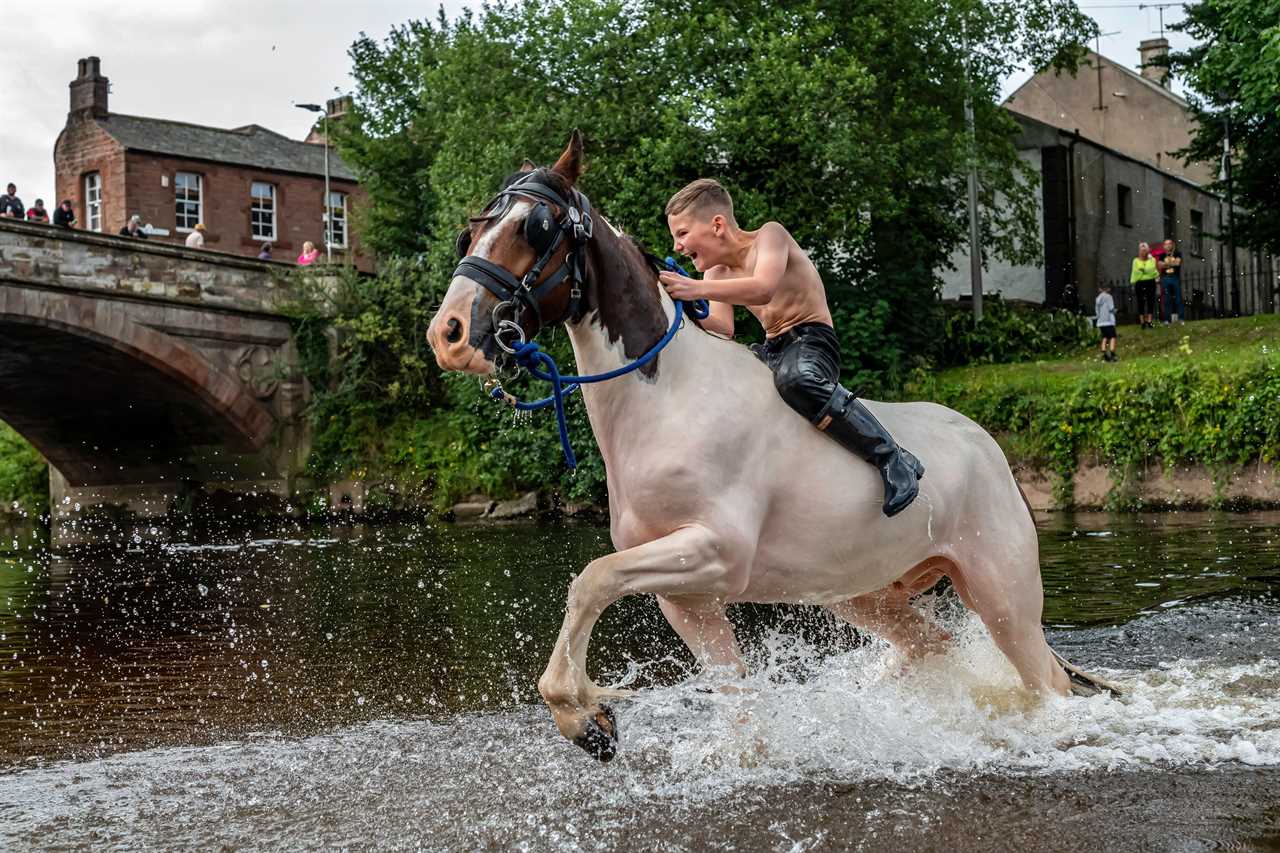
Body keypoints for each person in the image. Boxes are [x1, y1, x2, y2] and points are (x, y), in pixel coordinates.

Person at [659, 178, 924, 517]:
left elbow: (763, 288)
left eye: (682, 234)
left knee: (797, 379)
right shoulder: (715, 273)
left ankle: (892, 458)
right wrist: (677, 305)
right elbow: (723, 328)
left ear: (717, 224)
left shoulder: (770, 236)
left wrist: (694, 290)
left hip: (812, 340)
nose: (678, 246)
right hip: (772, 347)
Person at [1130, 242, 1158, 329]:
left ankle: (1149, 321)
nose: (1143, 252)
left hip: (1150, 282)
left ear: (1148, 251)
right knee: (1140, 302)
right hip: (1140, 283)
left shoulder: (1152, 260)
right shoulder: (1135, 260)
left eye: (1145, 250)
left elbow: (1153, 271)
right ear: (1139, 251)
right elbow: (1136, 272)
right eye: (1141, 250)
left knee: (1150, 301)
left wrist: (1143, 270)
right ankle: (1142, 322)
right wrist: (1146, 270)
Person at [1158, 237, 1183, 324]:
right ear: (1164, 246)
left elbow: (1178, 263)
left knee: (1178, 298)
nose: (1167, 245)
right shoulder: (1161, 255)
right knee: (1167, 299)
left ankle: (1181, 318)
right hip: (1165, 278)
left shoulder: (1177, 253)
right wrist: (1172, 263)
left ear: (1172, 245)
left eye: (1169, 243)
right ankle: (1167, 319)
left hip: (1175, 277)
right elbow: (1160, 265)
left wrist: (1166, 264)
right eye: (1166, 244)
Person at [1095, 282, 1118, 361]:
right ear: (1108, 289)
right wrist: (1115, 311)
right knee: (1112, 337)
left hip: (1101, 321)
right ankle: (1112, 353)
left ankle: (1104, 352)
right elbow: (1111, 308)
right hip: (1108, 321)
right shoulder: (1109, 297)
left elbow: (1097, 311)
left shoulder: (1097, 298)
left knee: (1104, 337)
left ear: (1100, 289)